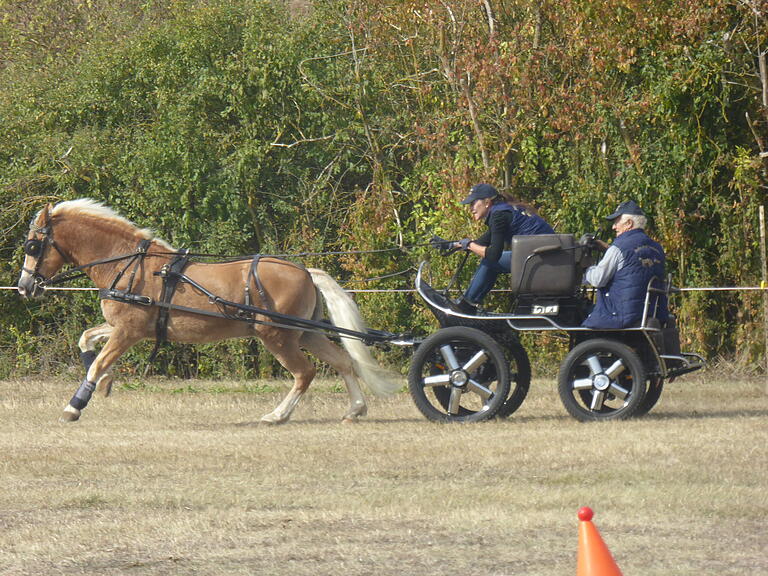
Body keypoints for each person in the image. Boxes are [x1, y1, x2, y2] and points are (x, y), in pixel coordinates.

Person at [450, 183, 555, 314]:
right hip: (543, 255)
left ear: (487, 202)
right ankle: (469, 303)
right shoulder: (504, 211)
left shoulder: (498, 216)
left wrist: (469, 245)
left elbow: (493, 254)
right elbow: (481, 242)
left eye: (473, 203)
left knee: (490, 262)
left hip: (540, 258)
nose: (471, 208)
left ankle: (467, 305)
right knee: (492, 260)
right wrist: (452, 245)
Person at [582, 200, 668, 329]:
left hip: (618, 315)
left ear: (629, 223)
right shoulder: (657, 248)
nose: (613, 227)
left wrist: (585, 269)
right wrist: (606, 248)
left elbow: (597, 279)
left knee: (578, 313)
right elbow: (631, 261)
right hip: (650, 313)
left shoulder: (618, 248)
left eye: (616, 222)